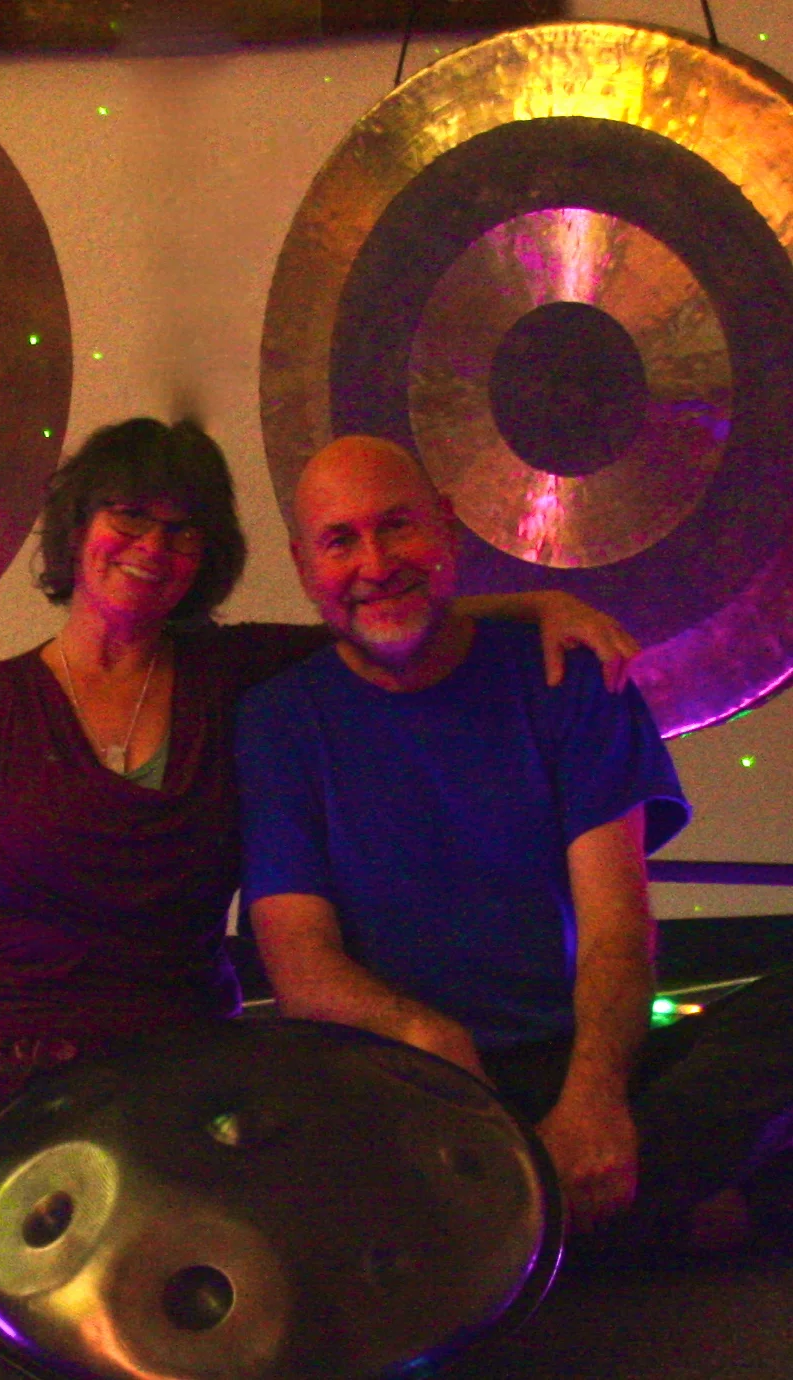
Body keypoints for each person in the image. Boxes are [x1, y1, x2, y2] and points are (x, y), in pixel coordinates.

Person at [0, 418, 638, 1301]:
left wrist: (537, 604)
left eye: (183, 531)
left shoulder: (236, 678)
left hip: (169, 1058)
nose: (153, 545)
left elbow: (379, 610)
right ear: (79, 528)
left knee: (205, 1240)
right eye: (130, 516)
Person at [236, 433, 793, 1254]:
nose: (374, 563)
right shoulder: (278, 720)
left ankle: (507, 1227)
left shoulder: (568, 676)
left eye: (397, 527)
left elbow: (615, 930)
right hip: (405, 1087)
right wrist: (427, 1036)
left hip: (579, 1059)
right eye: (340, 541)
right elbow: (301, 967)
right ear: (301, 563)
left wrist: (592, 1100)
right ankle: (676, 1219)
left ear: (446, 527)